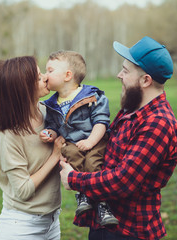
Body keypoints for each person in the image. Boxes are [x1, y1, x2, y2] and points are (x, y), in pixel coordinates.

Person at [59, 36, 177, 240]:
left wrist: (74, 179)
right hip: (106, 225)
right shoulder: (130, 110)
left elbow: (123, 180)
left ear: (145, 80)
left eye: (125, 70)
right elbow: (105, 149)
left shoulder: (158, 123)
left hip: (130, 231)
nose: (119, 75)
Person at [39, 50, 118, 226]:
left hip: (95, 141)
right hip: (72, 144)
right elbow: (52, 126)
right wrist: (50, 134)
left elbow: (101, 121)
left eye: (50, 71)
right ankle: (83, 196)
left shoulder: (91, 96)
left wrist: (91, 141)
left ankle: (103, 206)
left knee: (93, 165)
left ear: (68, 75)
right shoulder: (51, 104)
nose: (45, 76)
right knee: (70, 156)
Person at [0, 56, 65, 240]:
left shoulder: (49, 113)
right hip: (22, 227)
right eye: (39, 78)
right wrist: (55, 156)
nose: (46, 78)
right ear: (24, 90)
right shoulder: (10, 134)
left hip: (52, 221)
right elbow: (23, 190)